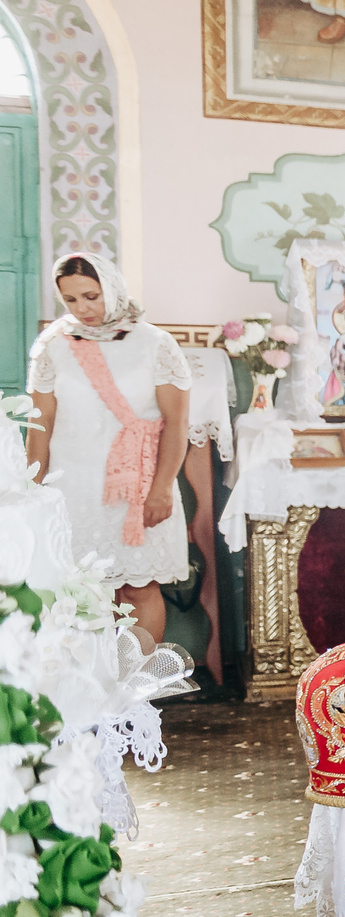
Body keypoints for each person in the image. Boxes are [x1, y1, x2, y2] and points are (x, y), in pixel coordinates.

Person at [24, 253, 193, 652]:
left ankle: (136, 695)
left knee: (139, 589)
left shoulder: (156, 344)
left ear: (112, 289)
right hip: (74, 489)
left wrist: (162, 489)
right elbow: (40, 425)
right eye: (71, 300)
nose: (83, 309)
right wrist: (32, 492)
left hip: (139, 487)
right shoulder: (52, 345)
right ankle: (94, 698)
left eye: (91, 296)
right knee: (83, 596)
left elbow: (177, 424)